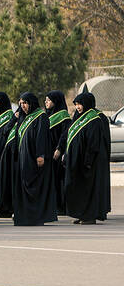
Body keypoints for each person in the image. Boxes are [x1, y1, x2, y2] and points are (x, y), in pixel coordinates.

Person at [62, 92, 110, 224]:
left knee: (88, 189)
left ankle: (90, 216)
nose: (78, 107)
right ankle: (81, 214)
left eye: (80, 104)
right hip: (77, 161)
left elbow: (93, 143)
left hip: (89, 162)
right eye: (76, 104)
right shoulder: (79, 118)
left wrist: (87, 161)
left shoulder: (94, 120)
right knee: (78, 188)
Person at [12, 92, 57, 226]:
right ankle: (24, 215)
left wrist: (40, 155)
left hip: (34, 158)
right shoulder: (24, 117)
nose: (23, 106)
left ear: (31, 103)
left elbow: (41, 137)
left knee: (35, 187)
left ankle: (36, 216)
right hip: (23, 158)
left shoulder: (40, 116)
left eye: (25, 103)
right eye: (21, 103)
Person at [44, 90, 71, 215]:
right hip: (47, 152)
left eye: (49, 100)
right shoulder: (46, 115)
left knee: (58, 179)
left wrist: (59, 148)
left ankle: (60, 207)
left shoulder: (63, 116)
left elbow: (65, 134)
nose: (46, 102)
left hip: (57, 153)